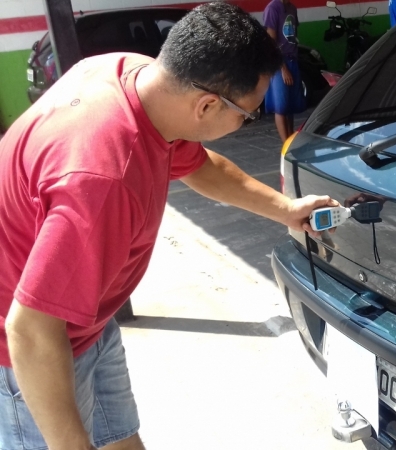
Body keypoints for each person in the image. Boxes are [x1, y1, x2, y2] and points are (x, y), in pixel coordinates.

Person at [0, 3, 337, 450]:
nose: (244, 124)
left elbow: (199, 165)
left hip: (86, 322)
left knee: (120, 437)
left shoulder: (134, 76)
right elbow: (30, 331)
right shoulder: (105, 180)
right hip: (31, 351)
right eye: (247, 114)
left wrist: (286, 208)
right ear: (207, 104)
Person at [263, 0, 305, 142]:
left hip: (293, 60)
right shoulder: (273, 8)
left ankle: (290, 139)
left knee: (290, 106)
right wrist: (283, 67)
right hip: (279, 63)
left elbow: (293, 35)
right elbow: (271, 41)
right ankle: (285, 143)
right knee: (280, 107)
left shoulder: (292, 8)